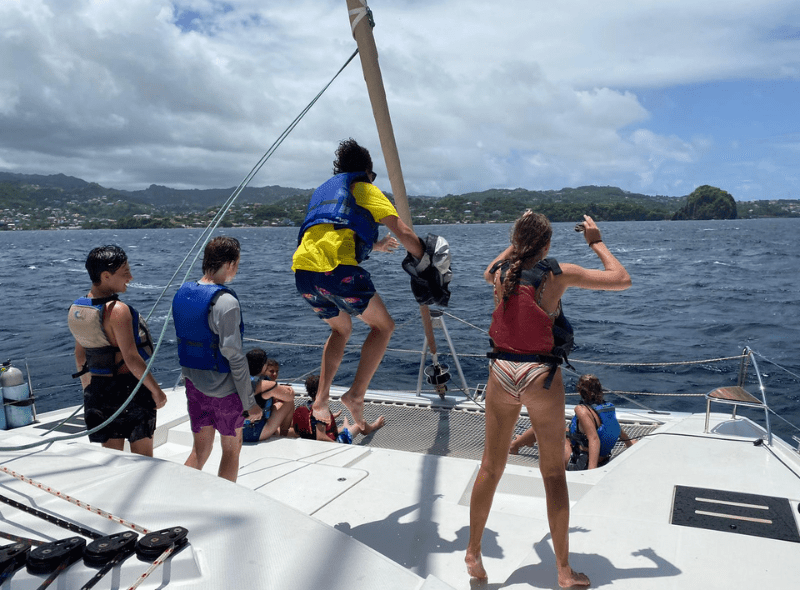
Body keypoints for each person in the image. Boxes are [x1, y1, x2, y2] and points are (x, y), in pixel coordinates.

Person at [466, 212, 631, 588]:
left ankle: (474, 551)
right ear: (548, 245)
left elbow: (489, 267)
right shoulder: (557, 275)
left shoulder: (500, 272)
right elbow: (621, 279)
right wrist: (596, 241)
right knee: (553, 473)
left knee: (491, 467)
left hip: (501, 372)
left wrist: (518, 241)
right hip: (539, 374)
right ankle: (563, 571)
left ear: (516, 241)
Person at [292, 138, 424, 430]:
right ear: (366, 172)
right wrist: (426, 259)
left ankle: (321, 400)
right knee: (384, 326)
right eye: (372, 175)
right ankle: (356, 395)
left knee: (341, 328)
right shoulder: (364, 188)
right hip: (336, 273)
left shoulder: (322, 192)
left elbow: (334, 231)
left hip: (304, 273)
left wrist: (374, 246)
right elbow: (403, 231)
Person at [172, 236, 262, 482]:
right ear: (231, 263)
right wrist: (249, 403)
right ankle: (223, 505)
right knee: (231, 451)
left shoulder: (183, 293)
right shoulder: (226, 302)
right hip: (225, 393)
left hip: (194, 386)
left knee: (200, 451)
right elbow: (234, 356)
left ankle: (179, 494)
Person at [68, 245, 167, 457]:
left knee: (113, 461)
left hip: (99, 392)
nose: (130, 277)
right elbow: (132, 358)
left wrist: (89, 391)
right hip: (130, 392)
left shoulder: (78, 309)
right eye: (125, 273)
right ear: (105, 276)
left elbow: (80, 356)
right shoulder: (117, 311)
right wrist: (156, 391)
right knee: (142, 461)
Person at [509, 374, 636, 470]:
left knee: (544, 425)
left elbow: (594, 439)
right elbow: (616, 429)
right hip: (602, 459)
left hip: (580, 463)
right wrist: (631, 444)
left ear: (580, 391)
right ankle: (527, 440)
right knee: (562, 429)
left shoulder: (582, 410)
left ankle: (514, 446)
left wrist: (591, 473)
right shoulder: (608, 407)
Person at [292, 375, 385, 443]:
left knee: (338, 429)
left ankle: (346, 427)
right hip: (327, 445)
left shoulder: (303, 407)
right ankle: (374, 426)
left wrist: (330, 417)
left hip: (309, 443)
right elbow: (320, 437)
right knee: (360, 424)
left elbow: (310, 424)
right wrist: (337, 445)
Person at [241, 348, 296, 443]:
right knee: (289, 403)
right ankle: (282, 436)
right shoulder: (265, 384)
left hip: (234, 432)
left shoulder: (237, 381)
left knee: (276, 406)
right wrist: (277, 390)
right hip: (254, 433)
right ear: (264, 366)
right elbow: (290, 396)